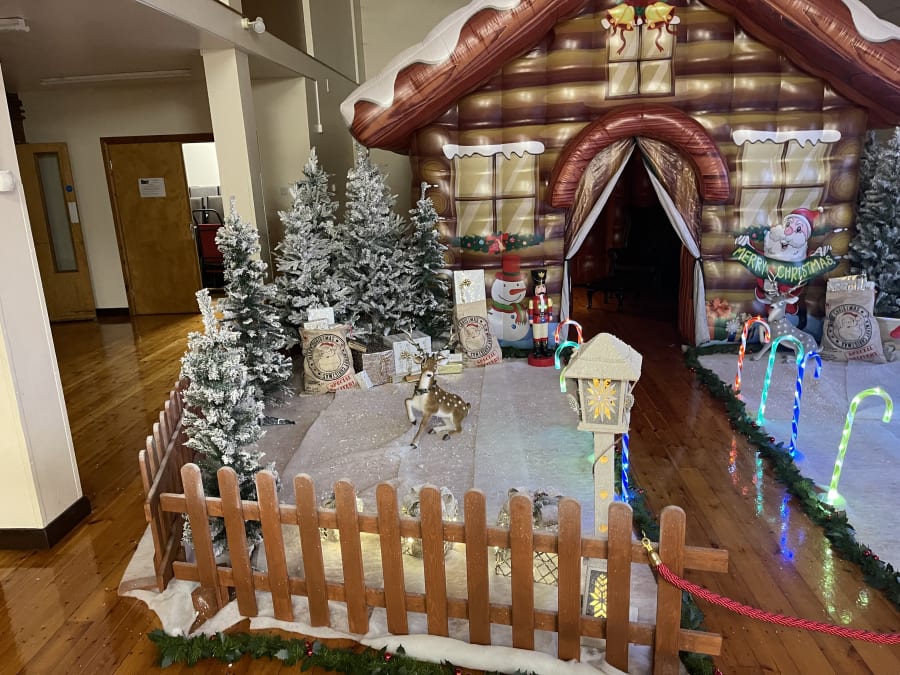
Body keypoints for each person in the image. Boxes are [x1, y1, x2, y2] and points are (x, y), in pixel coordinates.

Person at [529, 268, 553, 360]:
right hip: (536, 319)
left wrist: (550, 315)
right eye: (539, 287)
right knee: (537, 334)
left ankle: (545, 349)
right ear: (534, 289)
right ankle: (537, 350)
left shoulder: (548, 299)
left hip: (545, 318)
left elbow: (550, 308)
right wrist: (531, 318)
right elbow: (531, 310)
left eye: (543, 286)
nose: (541, 288)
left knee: (544, 334)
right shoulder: (532, 301)